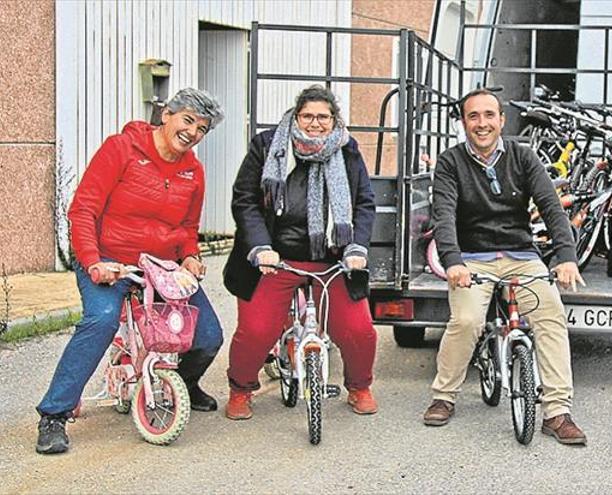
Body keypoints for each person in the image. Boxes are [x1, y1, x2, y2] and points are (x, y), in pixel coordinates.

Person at [36, 88, 226, 455]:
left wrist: (189, 257)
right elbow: (84, 210)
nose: (192, 132)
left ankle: (180, 384)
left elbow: (188, 228)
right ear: (167, 115)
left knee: (207, 335)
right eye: (188, 120)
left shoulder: (193, 171)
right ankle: (54, 414)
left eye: (202, 129)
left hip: (162, 266)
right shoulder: (121, 149)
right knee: (102, 321)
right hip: (110, 259)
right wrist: (93, 261)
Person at [422, 88, 587, 445]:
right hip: (471, 259)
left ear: (502, 120)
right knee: (466, 321)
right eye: (473, 117)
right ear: (464, 122)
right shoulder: (451, 162)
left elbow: (551, 207)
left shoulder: (523, 157)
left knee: (551, 315)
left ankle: (557, 412)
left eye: (489, 115)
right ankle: (444, 396)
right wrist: (452, 262)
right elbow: (444, 215)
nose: (482, 124)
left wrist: (566, 257)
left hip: (521, 257)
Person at [222, 85, 377, 419]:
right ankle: (240, 390)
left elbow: (364, 203)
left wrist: (357, 247)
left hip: (332, 259)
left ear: (334, 119)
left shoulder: (347, 150)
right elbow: (245, 200)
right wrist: (261, 247)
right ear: (296, 115)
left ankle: (359, 387)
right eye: (308, 116)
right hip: (275, 260)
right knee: (257, 330)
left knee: (358, 329)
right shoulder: (268, 146)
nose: (315, 123)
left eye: (323, 117)